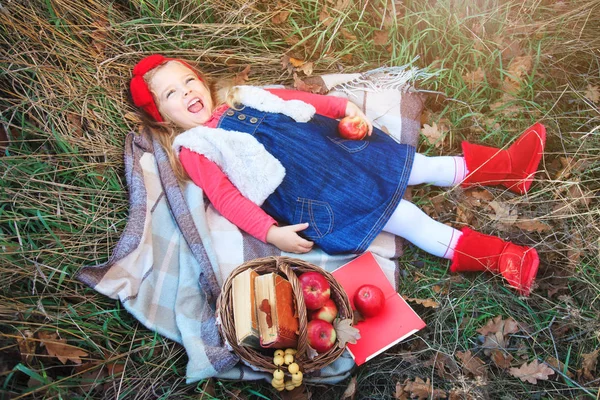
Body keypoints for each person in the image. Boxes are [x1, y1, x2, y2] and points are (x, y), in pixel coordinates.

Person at [129, 54, 546, 296]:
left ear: (202, 82)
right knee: (409, 219)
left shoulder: (242, 95)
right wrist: (270, 232)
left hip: (341, 149)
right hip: (318, 193)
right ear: (163, 117)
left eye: (188, 80)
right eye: (171, 93)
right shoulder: (196, 147)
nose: (186, 92)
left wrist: (342, 108)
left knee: (422, 166)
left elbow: (297, 99)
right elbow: (225, 198)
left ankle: (510, 167)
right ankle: (499, 258)